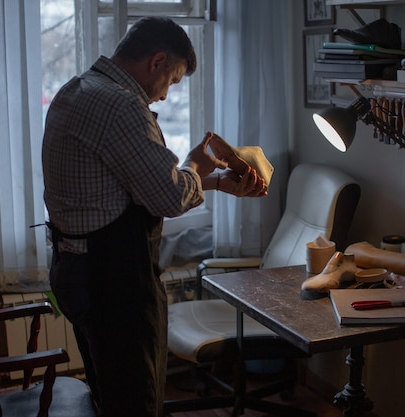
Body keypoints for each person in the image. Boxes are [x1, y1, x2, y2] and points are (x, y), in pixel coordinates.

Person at [42, 16, 266, 417]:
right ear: (157, 61)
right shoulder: (121, 104)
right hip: (115, 281)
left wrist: (209, 181)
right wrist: (196, 167)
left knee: (107, 395)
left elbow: (129, 188)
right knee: (135, 402)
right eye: (173, 80)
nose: (165, 95)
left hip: (74, 268)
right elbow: (166, 195)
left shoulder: (76, 89)